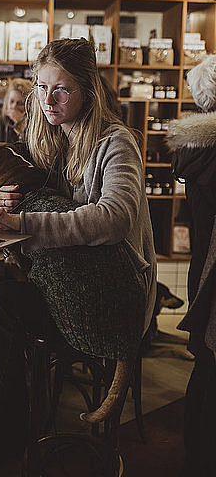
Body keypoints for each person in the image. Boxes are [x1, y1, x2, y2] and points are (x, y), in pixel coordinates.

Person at [0, 38, 156, 476]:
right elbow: (18, 179)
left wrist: (25, 224)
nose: (47, 100)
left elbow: (112, 219)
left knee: (3, 305)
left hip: (112, 297)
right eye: (41, 87)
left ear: (87, 92)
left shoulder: (117, 143)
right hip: (66, 284)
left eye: (61, 90)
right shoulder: (54, 141)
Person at [166, 54, 216, 477]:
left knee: (204, 358)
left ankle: (194, 449)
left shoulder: (195, 145)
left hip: (202, 261)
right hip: (212, 270)